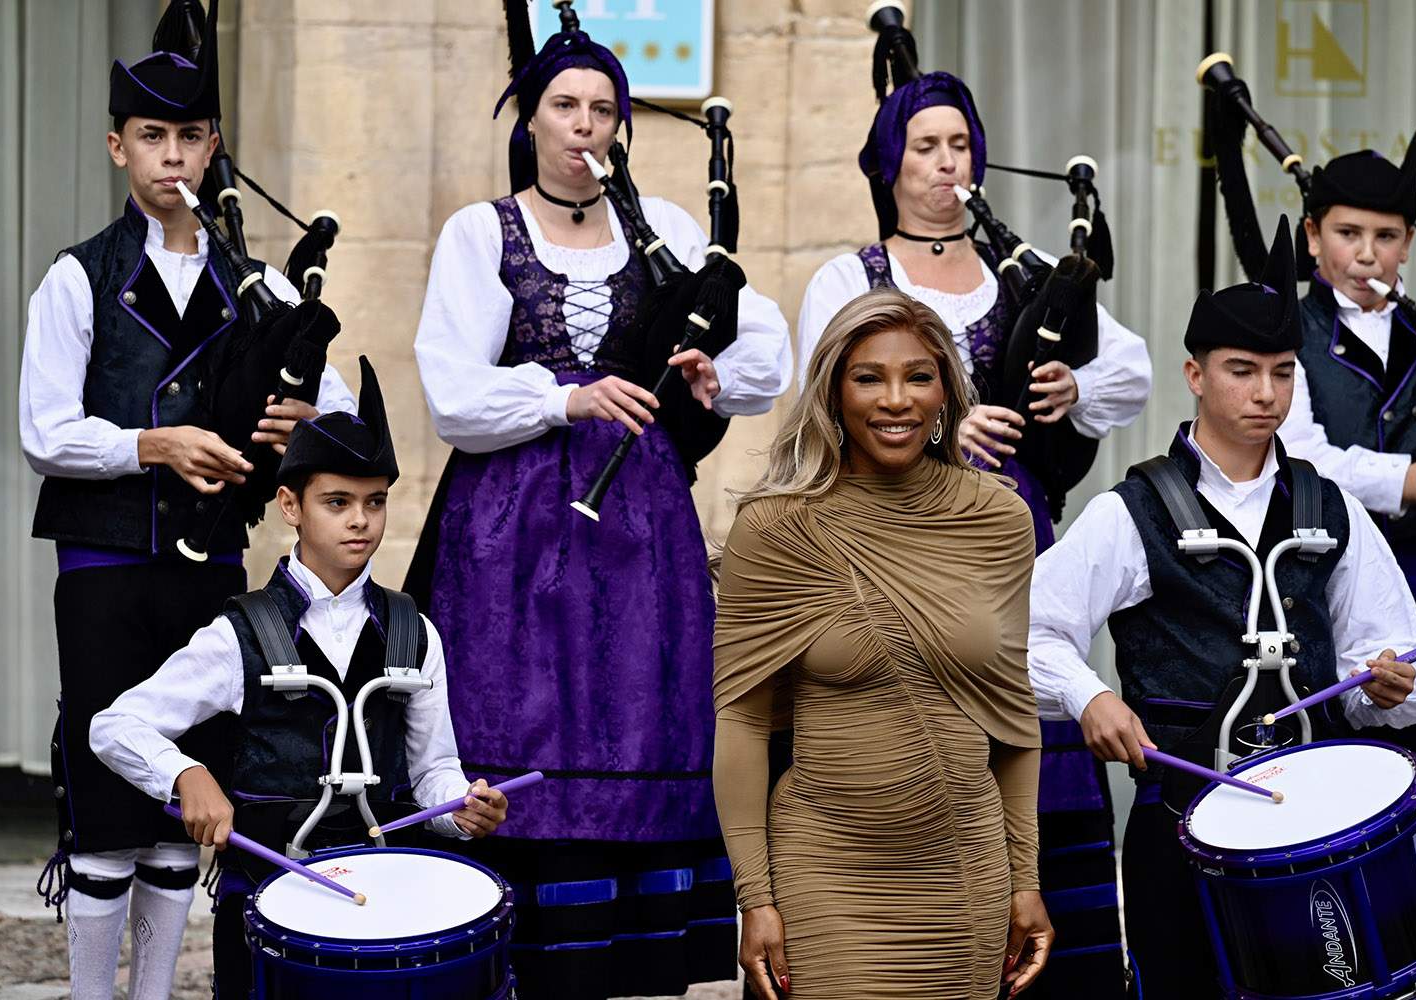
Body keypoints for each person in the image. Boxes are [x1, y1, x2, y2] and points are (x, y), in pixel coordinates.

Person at [404, 7, 792, 998]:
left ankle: (632, 961)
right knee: (520, 715)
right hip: (511, 527)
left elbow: (763, 343)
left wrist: (714, 372)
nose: (584, 125)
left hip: (642, 527)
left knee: (640, 716)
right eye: (564, 105)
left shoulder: (663, 229)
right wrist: (563, 398)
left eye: (603, 109)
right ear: (530, 118)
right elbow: (451, 394)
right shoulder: (481, 231)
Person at [18, 5, 354, 997]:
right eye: (152, 136)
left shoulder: (264, 289)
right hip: (106, 568)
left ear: (214, 148)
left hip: (213, 577)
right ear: (117, 147)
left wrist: (304, 426)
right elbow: (44, 431)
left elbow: (336, 417)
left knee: (181, 814)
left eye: (191, 136)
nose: (172, 156)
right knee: (105, 814)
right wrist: (154, 444)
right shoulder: (78, 277)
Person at [795, 67, 1148, 994]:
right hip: (890, 542)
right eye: (926, 147)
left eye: (959, 145)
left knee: (1021, 733)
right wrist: (943, 428)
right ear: (890, 163)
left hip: (1009, 544)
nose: (946, 163)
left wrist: (1074, 386)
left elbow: (1133, 370)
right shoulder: (850, 278)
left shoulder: (1017, 273)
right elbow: (821, 405)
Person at [1027, 218, 1416, 999]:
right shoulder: (1133, 511)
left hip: (1316, 830)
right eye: (1242, 371)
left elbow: (1404, 669)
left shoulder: (1333, 508)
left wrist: (1386, 682)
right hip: (1181, 824)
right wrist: (1089, 696)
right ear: (1195, 373)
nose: (1265, 394)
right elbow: (1023, 635)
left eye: (1283, 373)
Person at [90, 358, 506, 998]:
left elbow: (433, 772)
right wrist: (185, 774)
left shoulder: (415, 630)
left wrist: (462, 809)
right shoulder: (239, 633)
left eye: (374, 502)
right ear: (290, 505)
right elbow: (114, 725)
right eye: (337, 502)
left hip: (384, 899)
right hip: (266, 900)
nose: (360, 520)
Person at [713, 288, 1051, 999]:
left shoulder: (999, 518)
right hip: (825, 871)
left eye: (918, 376)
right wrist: (755, 898)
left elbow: (1015, 720)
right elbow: (741, 721)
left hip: (966, 874)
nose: (896, 400)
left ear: (945, 392)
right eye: (869, 378)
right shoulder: (776, 528)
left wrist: (1025, 879)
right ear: (834, 393)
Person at [1275, 122, 1416, 845]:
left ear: (1409, 244)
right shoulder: (1289, 333)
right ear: (1313, 238)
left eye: (1387, 236)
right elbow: (1300, 454)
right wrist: (1408, 479)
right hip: (1321, 576)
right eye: (1348, 233)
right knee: (1335, 759)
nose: (1367, 254)